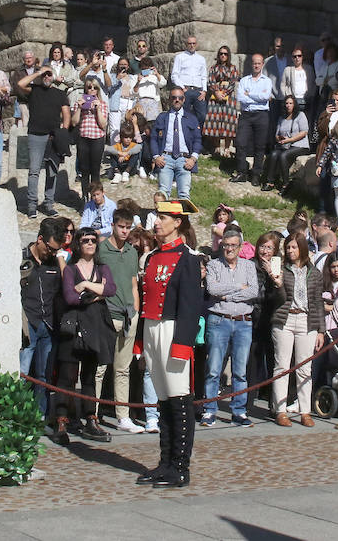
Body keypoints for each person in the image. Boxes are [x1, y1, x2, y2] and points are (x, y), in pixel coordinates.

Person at [133, 198, 202, 488]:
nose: (157, 222)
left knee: (179, 398)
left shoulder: (188, 259)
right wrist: (140, 340)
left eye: (163, 217)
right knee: (162, 399)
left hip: (173, 329)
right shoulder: (150, 258)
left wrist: (183, 344)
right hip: (151, 328)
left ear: (178, 223)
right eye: (157, 216)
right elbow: (145, 301)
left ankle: (180, 467)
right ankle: (165, 462)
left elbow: (191, 306)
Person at [51, 228, 116, 444]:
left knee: (89, 377)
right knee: (67, 376)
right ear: (78, 243)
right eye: (85, 240)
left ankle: (90, 418)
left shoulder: (102, 267)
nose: (90, 243)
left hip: (95, 326)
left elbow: (111, 289)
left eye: (93, 240)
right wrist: (97, 293)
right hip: (73, 327)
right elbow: (70, 297)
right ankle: (61, 420)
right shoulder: (70, 269)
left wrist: (87, 285)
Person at [201, 228, 260, 427]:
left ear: (240, 247)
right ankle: (209, 410)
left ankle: (239, 411)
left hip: (243, 321)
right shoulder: (214, 265)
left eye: (234, 245)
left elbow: (253, 291)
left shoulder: (249, 266)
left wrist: (228, 295)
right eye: (226, 245)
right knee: (213, 368)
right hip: (219, 320)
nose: (229, 249)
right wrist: (238, 288)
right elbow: (212, 289)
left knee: (240, 370)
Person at [267, 229, 324, 427]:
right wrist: (277, 283)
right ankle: (280, 410)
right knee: (282, 366)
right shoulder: (281, 269)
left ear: (302, 248)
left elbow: (317, 302)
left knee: (304, 368)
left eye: (293, 247)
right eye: (287, 247)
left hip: (306, 320)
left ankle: (305, 410)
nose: (290, 251)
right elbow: (276, 300)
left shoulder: (314, 272)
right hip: (285, 319)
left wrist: (321, 330)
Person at [96, 209, 142, 434]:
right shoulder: (101, 249)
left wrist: (135, 311)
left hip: (128, 316)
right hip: (107, 314)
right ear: (113, 225)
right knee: (100, 368)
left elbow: (134, 284)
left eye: (128, 227)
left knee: (123, 369)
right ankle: (92, 414)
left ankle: (122, 416)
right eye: (121, 226)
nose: (125, 231)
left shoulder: (132, 252)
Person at [20, 219, 67, 413]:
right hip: (27, 324)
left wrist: (61, 261)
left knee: (44, 375)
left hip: (48, 324)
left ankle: (40, 415)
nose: (52, 253)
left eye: (56, 250)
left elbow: (66, 287)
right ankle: (17, 415)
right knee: (22, 374)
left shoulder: (55, 262)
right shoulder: (21, 259)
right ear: (40, 239)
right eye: (50, 248)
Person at [16, 66, 71, 218]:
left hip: (53, 136)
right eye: (45, 74)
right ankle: (32, 205)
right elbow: (20, 84)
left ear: (54, 76)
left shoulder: (60, 93)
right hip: (36, 135)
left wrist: (63, 132)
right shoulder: (34, 90)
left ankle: (48, 203)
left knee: (52, 171)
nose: (47, 77)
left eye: (49, 74)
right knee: (34, 170)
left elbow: (66, 113)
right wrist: (38, 72)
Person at [150, 84, 202, 201]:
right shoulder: (162, 117)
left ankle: (182, 219)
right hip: (165, 159)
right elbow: (153, 138)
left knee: (184, 194)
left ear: (184, 100)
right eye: (174, 97)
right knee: (162, 193)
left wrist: (193, 159)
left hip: (185, 160)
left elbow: (198, 140)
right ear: (169, 99)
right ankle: (163, 218)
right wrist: (156, 157)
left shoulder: (191, 118)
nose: (177, 100)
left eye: (180, 98)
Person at [230, 53, 272, 183]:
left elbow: (266, 98)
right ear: (251, 64)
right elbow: (241, 98)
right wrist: (257, 97)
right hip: (246, 115)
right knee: (241, 143)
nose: (256, 65)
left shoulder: (267, 81)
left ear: (262, 64)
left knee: (259, 146)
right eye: (254, 63)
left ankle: (256, 174)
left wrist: (250, 94)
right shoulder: (244, 80)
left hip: (261, 115)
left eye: (259, 63)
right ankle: (242, 172)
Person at [263, 95, 310, 192]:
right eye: (287, 103)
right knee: (274, 154)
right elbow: (277, 134)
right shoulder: (282, 118)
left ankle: (286, 184)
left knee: (283, 156)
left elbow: (304, 132)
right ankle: (270, 182)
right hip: (285, 144)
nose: (288, 105)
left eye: (290, 103)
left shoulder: (300, 115)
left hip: (300, 145)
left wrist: (290, 139)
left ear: (294, 104)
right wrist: (279, 138)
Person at [72, 78, 108, 195]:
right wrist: (79, 108)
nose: (92, 90)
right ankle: (85, 196)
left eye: (94, 88)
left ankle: (96, 196)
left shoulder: (102, 104)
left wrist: (97, 109)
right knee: (84, 170)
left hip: (97, 138)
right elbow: (74, 122)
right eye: (89, 87)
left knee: (95, 170)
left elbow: (103, 125)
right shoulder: (79, 103)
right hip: (83, 138)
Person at [202, 46, 237, 159]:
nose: (223, 56)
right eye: (221, 53)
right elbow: (211, 81)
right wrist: (217, 92)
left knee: (228, 121)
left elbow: (232, 82)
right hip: (215, 96)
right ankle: (216, 147)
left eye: (225, 54)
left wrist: (224, 93)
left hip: (228, 97)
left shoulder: (233, 68)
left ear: (228, 55)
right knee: (215, 121)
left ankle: (227, 148)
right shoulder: (213, 68)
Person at [169, 35, 207, 125]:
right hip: (185, 90)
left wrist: (204, 91)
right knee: (185, 115)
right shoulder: (180, 57)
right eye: (190, 43)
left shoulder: (201, 59)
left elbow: (204, 76)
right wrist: (183, 88)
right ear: (186, 44)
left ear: (196, 44)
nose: (192, 45)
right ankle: (186, 136)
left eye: (194, 43)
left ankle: (197, 136)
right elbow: (174, 75)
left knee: (202, 115)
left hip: (198, 91)